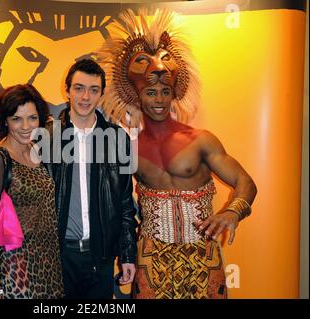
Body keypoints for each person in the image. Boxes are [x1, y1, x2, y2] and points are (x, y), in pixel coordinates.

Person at [96, 9, 257, 299]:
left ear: (174, 93)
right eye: (151, 92)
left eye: (164, 91)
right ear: (137, 95)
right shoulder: (128, 147)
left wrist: (234, 211)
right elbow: (117, 203)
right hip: (151, 258)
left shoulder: (201, 140)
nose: (158, 100)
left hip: (202, 256)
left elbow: (246, 182)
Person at [46, 59, 138, 298]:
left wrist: (127, 255)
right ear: (66, 91)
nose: (85, 97)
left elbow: (126, 203)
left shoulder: (117, 139)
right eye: (79, 88)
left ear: (101, 94)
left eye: (93, 90)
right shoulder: (48, 137)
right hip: (58, 258)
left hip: (101, 258)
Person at [0, 84, 64, 299]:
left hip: (49, 268)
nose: (26, 126)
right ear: (5, 122)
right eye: (16, 119)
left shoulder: (39, 154)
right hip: (14, 271)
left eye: (32, 118)